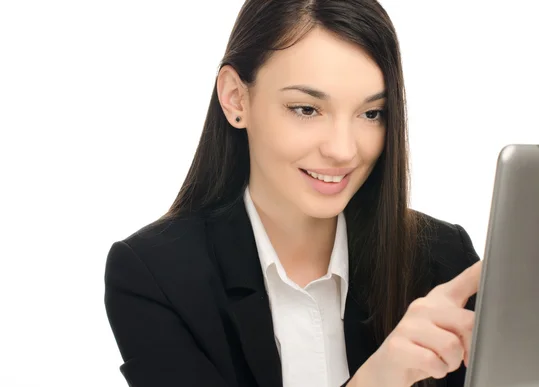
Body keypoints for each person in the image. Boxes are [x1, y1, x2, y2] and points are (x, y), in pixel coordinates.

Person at [103, 1, 482, 386]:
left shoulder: (441, 260)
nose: (343, 150)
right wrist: (380, 377)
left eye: (371, 113)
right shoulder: (156, 277)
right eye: (306, 109)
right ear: (236, 98)